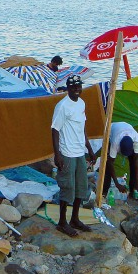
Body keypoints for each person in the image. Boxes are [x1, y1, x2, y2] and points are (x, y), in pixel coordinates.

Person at [51, 74, 96, 236]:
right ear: (68, 88)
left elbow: (82, 128)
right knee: (67, 187)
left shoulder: (82, 103)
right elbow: (55, 129)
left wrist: (89, 148)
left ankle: (75, 218)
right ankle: (62, 222)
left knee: (81, 187)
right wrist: (57, 155)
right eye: (73, 87)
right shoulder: (62, 106)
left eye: (79, 86)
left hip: (79, 152)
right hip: (67, 152)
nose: (77, 89)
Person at [102, 121, 138, 200]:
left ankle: (133, 190)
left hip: (127, 127)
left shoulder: (137, 140)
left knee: (134, 162)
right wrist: (117, 184)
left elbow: (136, 161)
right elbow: (110, 163)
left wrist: (137, 181)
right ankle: (104, 191)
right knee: (107, 163)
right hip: (112, 130)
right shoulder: (115, 142)